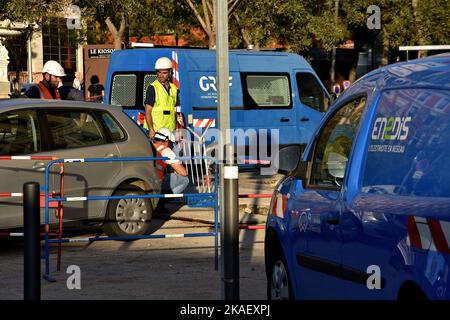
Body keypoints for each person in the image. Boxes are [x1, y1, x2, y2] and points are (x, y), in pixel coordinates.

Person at [144, 57, 183, 140]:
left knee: (169, 152)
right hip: (156, 131)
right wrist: (151, 129)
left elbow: (177, 111)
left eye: (164, 73)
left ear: (170, 73)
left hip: (170, 130)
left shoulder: (174, 89)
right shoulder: (153, 88)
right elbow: (147, 111)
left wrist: (178, 129)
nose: (161, 75)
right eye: (159, 72)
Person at [153, 128, 189, 196]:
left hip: (147, 180)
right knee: (185, 180)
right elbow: (183, 172)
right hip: (158, 183)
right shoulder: (166, 150)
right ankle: (163, 198)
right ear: (166, 141)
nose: (171, 145)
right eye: (170, 143)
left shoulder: (149, 145)